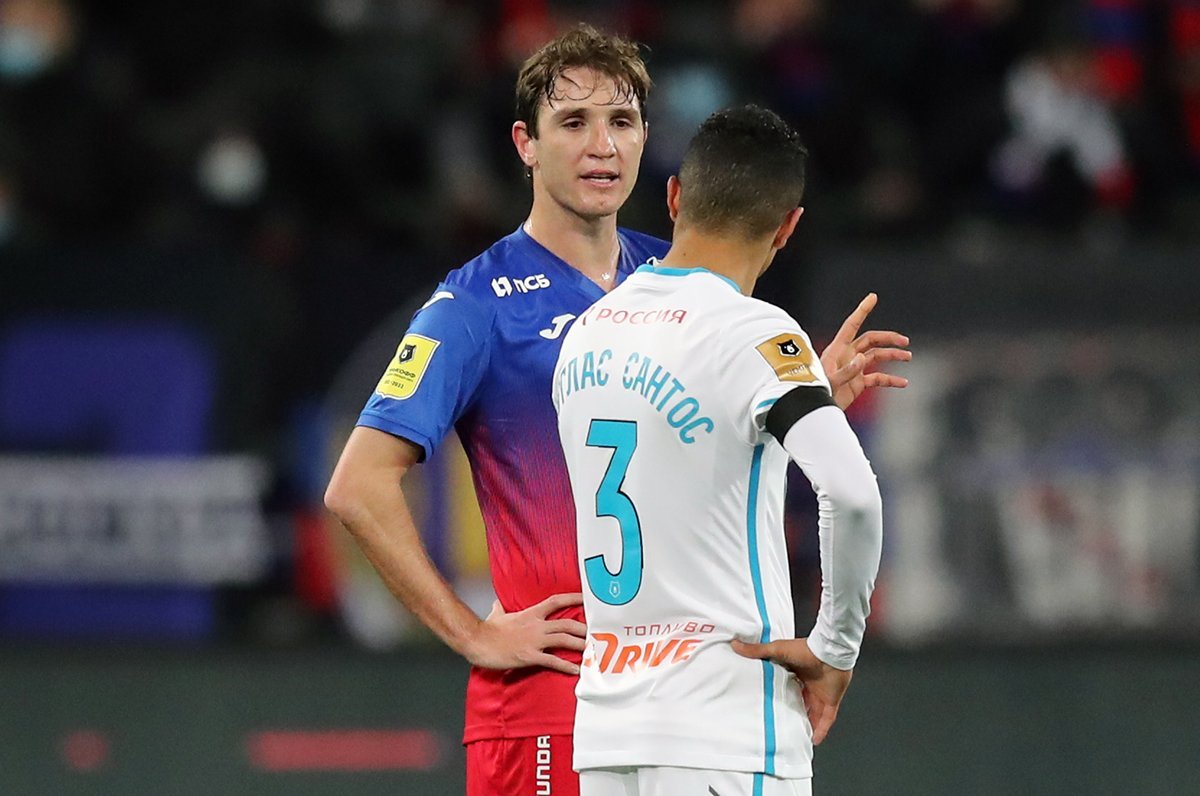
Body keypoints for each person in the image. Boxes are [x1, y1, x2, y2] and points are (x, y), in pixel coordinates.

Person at [324, 25, 907, 796]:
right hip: (546, 699)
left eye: (622, 121)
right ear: (526, 144)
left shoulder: (668, 278)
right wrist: (471, 632)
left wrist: (802, 403)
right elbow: (358, 485)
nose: (602, 146)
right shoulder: (475, 304)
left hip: (666, 700)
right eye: (574, 122)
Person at [552, 104, 883, 796]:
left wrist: (804, 400)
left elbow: (675, 472)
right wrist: (835, 648)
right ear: (787, 227)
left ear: (674, 197)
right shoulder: (757, 334)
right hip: (723, 730)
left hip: (607, 736)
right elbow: (852, 495)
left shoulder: (587, 332)